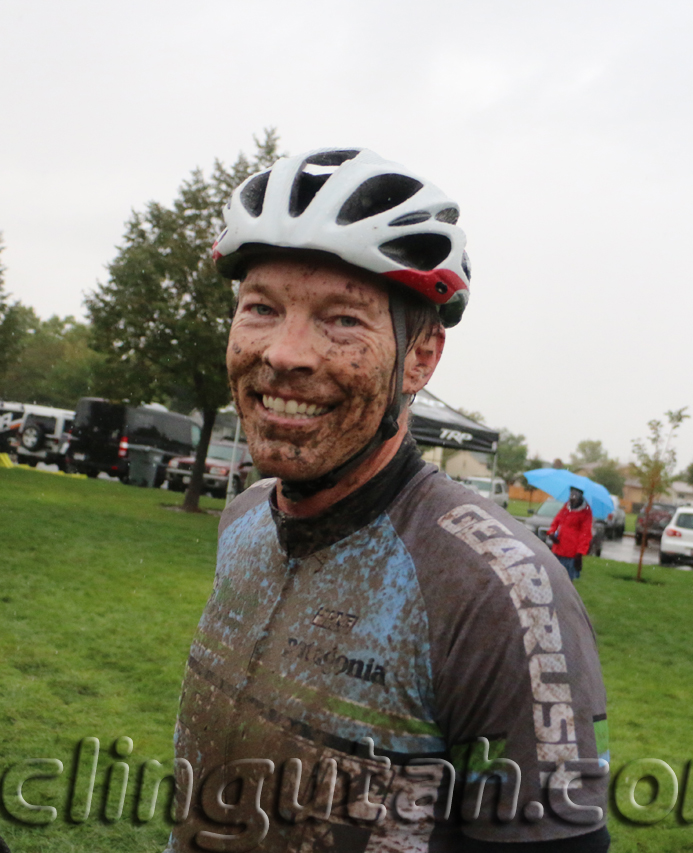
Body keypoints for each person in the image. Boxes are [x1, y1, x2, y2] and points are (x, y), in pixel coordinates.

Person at [170, 149, 611, 853]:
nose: (284, 353)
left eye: (342, 320)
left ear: (420, 357)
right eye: (262, 307)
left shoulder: (500, 592)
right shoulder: (247, 516)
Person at [548, 487, 594, 581]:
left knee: (566, 581)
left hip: (571, 553)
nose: (572, 497)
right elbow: (557, 521)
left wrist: (580, 553)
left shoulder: (586, 512)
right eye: (571, 494)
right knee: (553, 578)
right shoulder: (566, 506)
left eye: (575, 495)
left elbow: (585, 534)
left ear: (580, 496)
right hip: (558, 548)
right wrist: (552, 532)